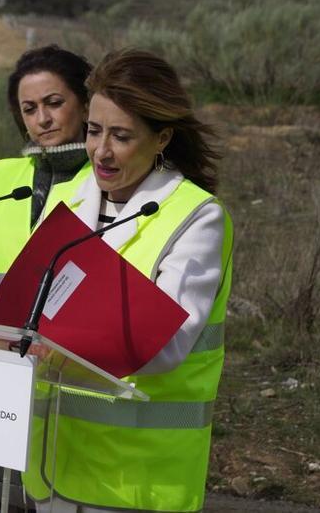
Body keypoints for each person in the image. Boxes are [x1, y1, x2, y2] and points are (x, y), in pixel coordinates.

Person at [22, 50, 233, 513]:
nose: (101, 151)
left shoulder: (196, 217)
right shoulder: (67, 199)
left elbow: (165, 346)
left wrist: (55, 343)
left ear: (162, 139)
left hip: (136, 481)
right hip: (52, 464)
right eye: (95, 131)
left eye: (121, 136)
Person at [0, 45, 94, 310]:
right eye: (29, 109)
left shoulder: (109, 181)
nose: (43, 119)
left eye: (54, 103)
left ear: (85, 106)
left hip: (66, 347)